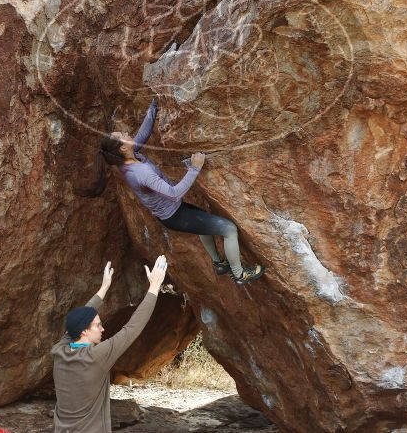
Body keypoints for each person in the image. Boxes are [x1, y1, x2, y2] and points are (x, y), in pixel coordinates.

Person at [77, 98, 264, 285]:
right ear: (123, 148)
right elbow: (174, 193)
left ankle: (218, 263)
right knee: (229, 229)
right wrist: (195, 168)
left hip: (174, 212)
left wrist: (154, 105)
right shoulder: (140, 173)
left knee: (202, 223)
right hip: (175, 215)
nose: (127, 133)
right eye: (123, 135)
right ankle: (239, 275)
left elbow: (143, 132)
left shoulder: (129, 158)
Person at [51, 256, 168, 433]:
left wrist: (104, 287)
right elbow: (132, 328)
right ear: (84, 331)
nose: (103, 328)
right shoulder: (96, 357)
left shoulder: (60, 350)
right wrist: (154, 286)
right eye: (98, 325)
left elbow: (79, 319)